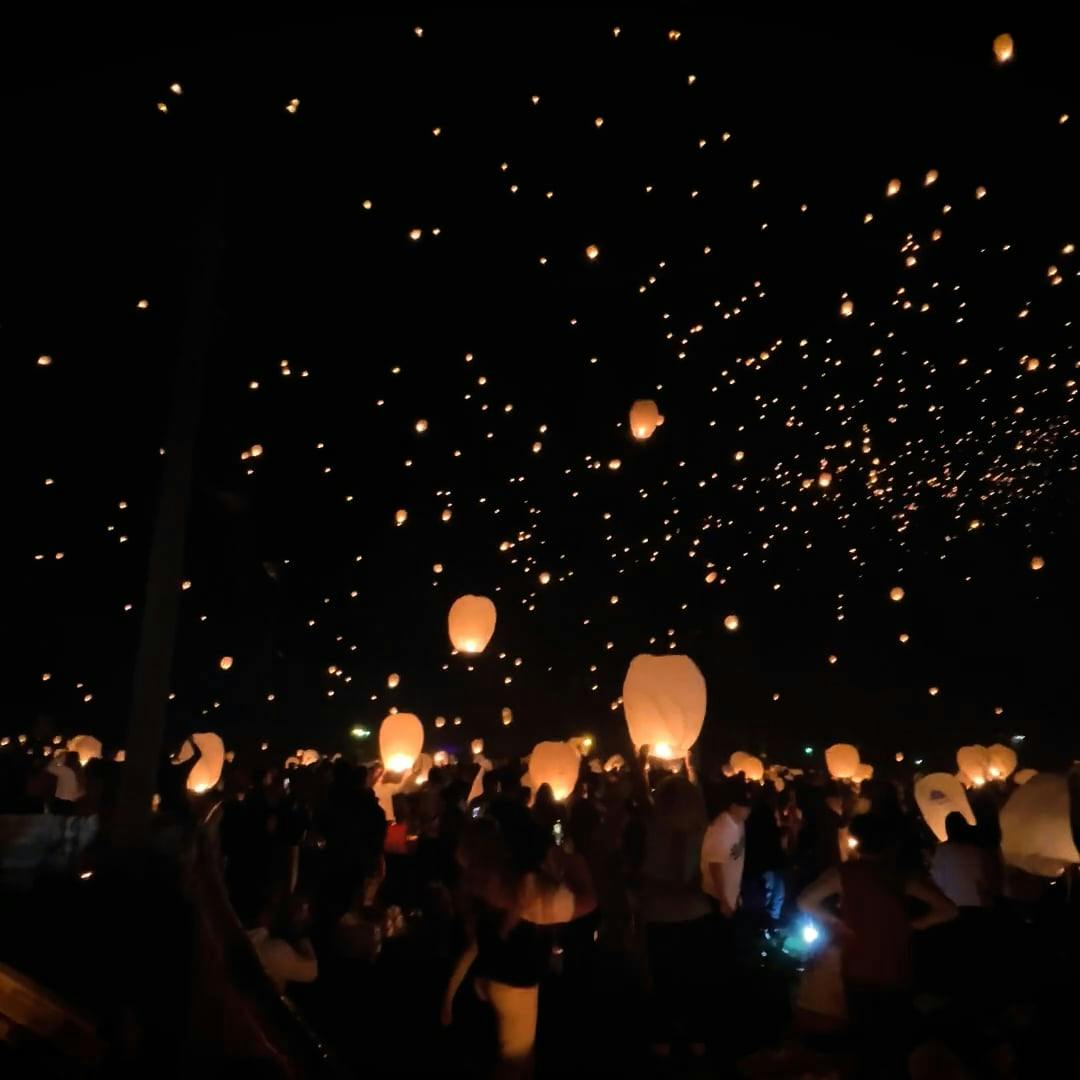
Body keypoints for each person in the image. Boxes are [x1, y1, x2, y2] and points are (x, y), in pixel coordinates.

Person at [441, 799, 596, 1080]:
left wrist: (449, 996)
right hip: (516, 984)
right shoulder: (526, 891)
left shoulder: (477, 884)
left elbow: (473, 945)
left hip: (497, 981)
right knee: (513, 1063)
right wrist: (567, 858)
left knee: (520, 1057)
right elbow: (588, 901)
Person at [798, 812, 957, 1077]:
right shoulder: (900, 876)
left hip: (858, 968)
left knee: (865, 1042)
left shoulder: (844, 873)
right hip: (896, 967)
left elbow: (805, 901)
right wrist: (913, 925)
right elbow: (949, 910)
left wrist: (836, 921)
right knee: (894, 1044)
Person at [638, 772, 713, 1059]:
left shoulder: (651, 828)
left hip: (660, 914)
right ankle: (696, 1036)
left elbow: (641, 873)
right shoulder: (702, 831)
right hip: (695, 912)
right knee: (694, 976)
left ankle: (662, 1038)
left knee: (663, 977)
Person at [930, 811, 997, 908]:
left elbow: (937, 880)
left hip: (954, 904)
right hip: (979, 903)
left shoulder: (942, 850)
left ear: (947, 830)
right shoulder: (978, 850)